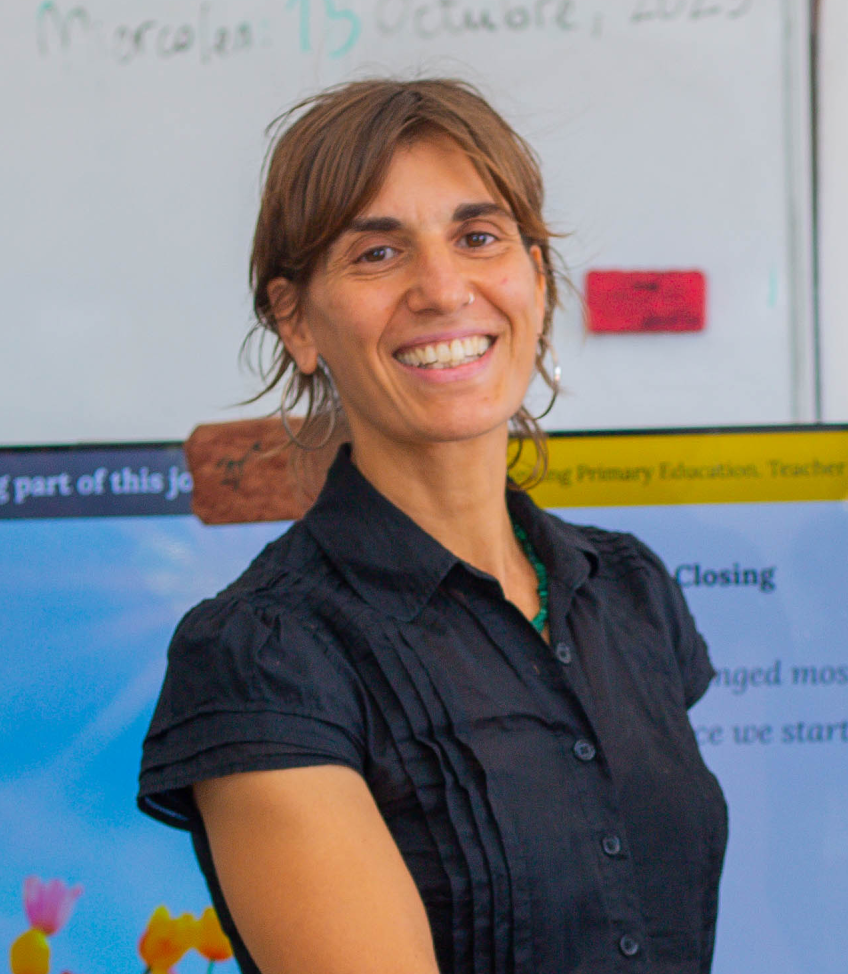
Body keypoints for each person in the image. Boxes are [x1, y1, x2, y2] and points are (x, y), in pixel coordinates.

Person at [138, 78, 727, 974]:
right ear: (296, 320)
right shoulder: (264, 654)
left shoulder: (629, 592)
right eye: (377, 253)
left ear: (536, 276)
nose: (444, 289)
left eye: (478, 236)